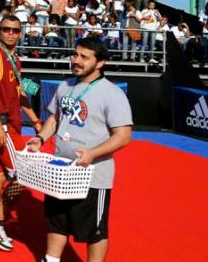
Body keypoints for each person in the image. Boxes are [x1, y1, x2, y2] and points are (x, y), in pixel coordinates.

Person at [26, 37, 132, 262]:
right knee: (57, 221)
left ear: (100, 62)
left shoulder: (113, 94)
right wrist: (40, 138)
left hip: (93, 176)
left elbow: (123, 136)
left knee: (95, 231)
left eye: (84, 57)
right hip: (61, 170)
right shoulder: (65, 86)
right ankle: (51, 259)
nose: (77, 60)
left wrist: (92, 153)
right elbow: (54, 118)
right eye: (75, 55)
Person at [0, 15, 42, 252]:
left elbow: (21, 89)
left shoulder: (14, 57)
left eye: (15, 30)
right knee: (22, 175)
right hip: (1, 125)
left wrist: (35, 119)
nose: (11, 33)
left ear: (21, 33)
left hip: (10, 124)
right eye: (6, 29)